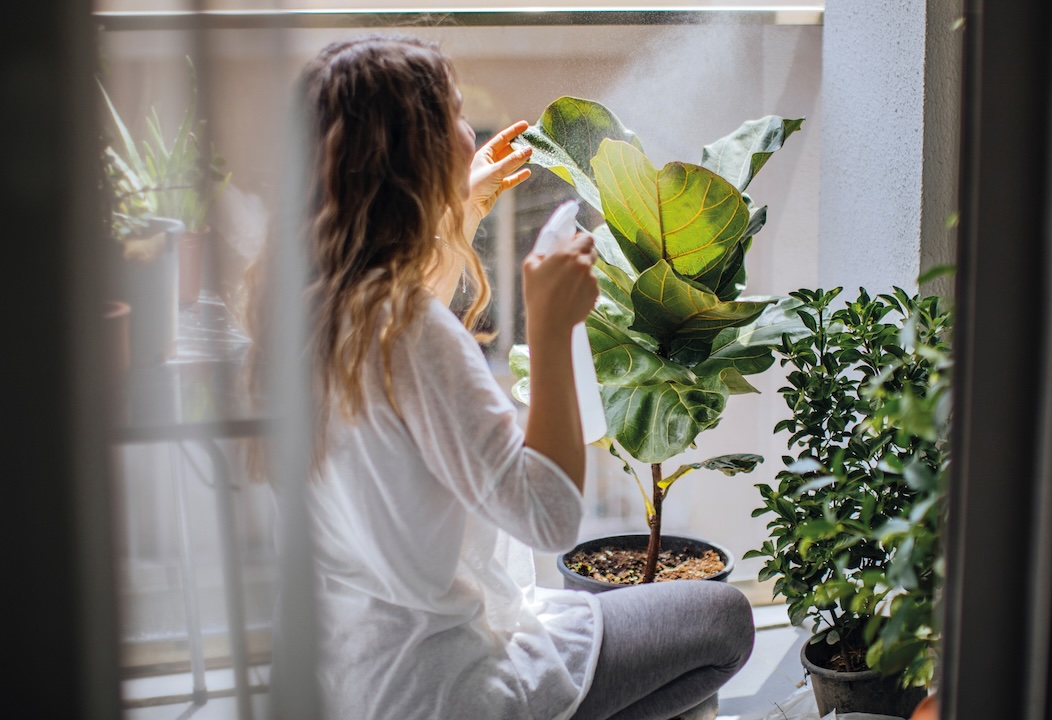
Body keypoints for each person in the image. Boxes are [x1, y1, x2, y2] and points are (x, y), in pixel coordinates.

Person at [251, 34, 754, 720]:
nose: (469, 132)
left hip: (355, 673)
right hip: (445, 687)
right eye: (455, 117)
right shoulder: (413, 331)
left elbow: (410, 365)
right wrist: (551, 331)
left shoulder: (312, 307)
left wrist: (453, 211)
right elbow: (549, 518)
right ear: (415, 156)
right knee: (724, 622)